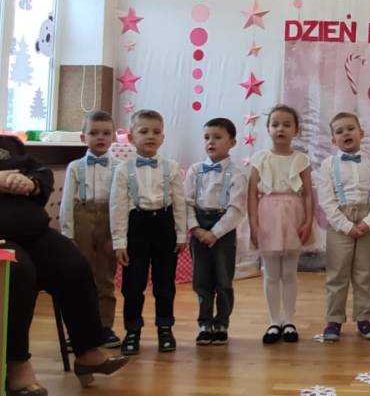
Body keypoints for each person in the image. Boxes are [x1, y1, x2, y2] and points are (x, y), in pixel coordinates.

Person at [0, 70, 127, 394]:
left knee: (74, 265)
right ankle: (16, 366)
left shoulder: (7, 144)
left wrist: (31, 183)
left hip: (29, 229)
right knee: (19, 271)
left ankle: (87, 351)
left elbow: (40, 172)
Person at [110, 109, 187, 355]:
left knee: (165, 284)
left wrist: (181, 234)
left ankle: (165, 328)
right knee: (133, 285)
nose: (150, 136)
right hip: (137, 227)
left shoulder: (171, 167)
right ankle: (132, 331)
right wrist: (119, 241)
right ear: (131, 137)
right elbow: (118, 206)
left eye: (156, 132)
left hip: (164, 225)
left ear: (163, 138)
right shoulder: (123, 169)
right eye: (144, 131)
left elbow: (180, 203)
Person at [316, 112, 370, 341]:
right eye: (339, 131)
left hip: (367, 222)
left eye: (350, 128)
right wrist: (346, 226)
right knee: (337, 274)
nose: (345, 133)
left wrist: (368, 223)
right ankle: (334, 320)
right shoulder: (328, 165)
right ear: (333, 139)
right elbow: (326, 200)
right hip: (340, 223)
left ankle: (363, 318)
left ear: (361, 133)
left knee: (364, 274)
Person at [248, 105, 313, 344]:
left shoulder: (301, 159)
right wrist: (253, 225)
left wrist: (308, 221)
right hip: (268, 216)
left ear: (296, 130)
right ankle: (274, 321)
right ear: (268, 129)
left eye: (287, 124)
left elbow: (308, 193)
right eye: (275, 124)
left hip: (293, 215)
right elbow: (251, 194)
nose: (280, 129)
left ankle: (290, 321)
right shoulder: (260, 158)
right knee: (271, 272)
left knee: (289, 272)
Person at [58, 110, 122, 349]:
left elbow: (122, 203)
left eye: (106, 133)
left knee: (105, 277)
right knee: (79, 277)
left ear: (114, 136)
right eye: (94, 133)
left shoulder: (120, 167)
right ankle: (78, 330)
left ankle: (104, 327)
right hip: (82, 218)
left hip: (109, 219)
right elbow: (66, 202)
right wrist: (68, 235)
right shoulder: (75, 167)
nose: (100, 137)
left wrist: (117, 236)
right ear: (83, 137)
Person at [185, 117, 247, 345]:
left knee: (223, 279)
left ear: (232, 142)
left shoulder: (237, 173)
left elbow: (236, 209)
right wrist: (195, 228)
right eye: (207, 137)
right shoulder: (195, 170)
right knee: (201, 279)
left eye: (217, 137)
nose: (211, 142)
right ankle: (204, 323)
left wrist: (215, 232)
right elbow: (186, 202)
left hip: (223, 228)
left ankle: (221, 323)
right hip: (199, 226)